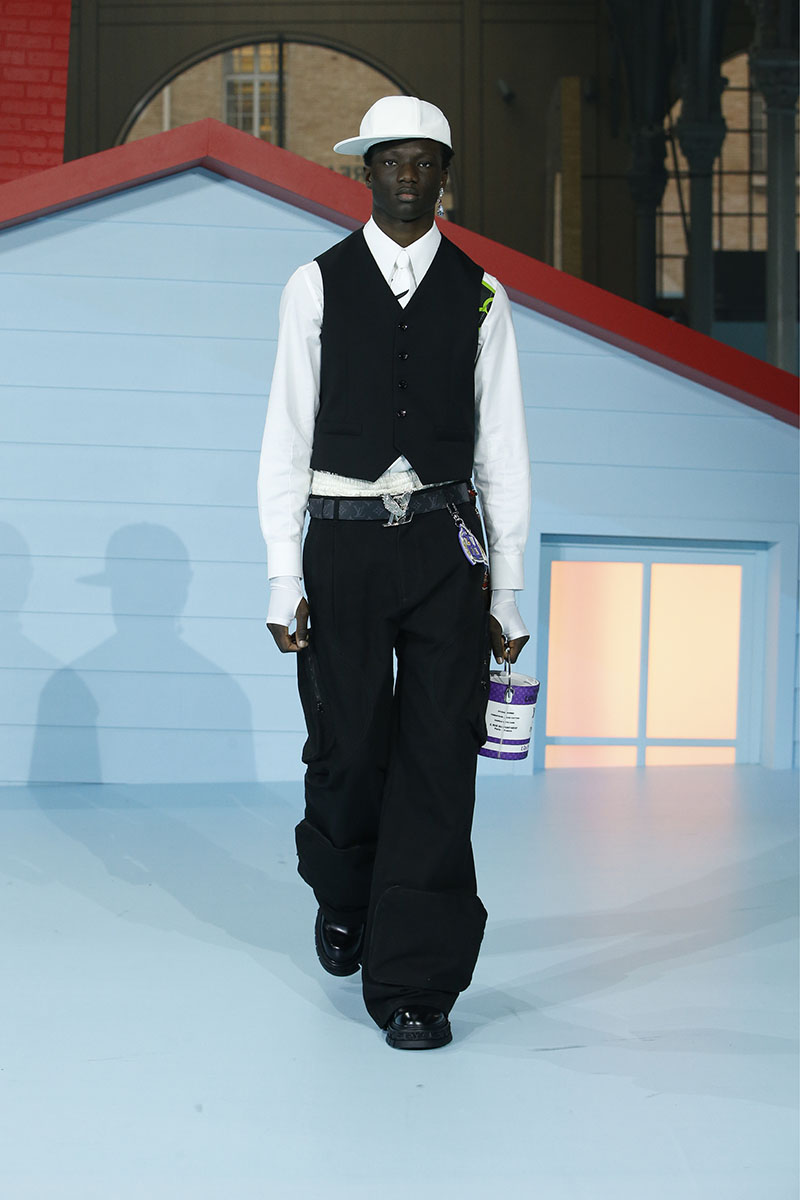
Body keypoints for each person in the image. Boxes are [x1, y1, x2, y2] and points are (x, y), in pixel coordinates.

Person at [257, 96, 530, 1050]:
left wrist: (507, 590)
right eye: (390, 160)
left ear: (444, 174)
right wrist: (282, 575)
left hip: (448, 546)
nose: (407, 175)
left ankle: (416, 981)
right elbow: (285, 437)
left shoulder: (484, 294)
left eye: (424, 161)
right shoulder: (315, 285)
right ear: (365, 171)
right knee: (346, 746)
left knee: (439, 759)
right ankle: (346, 893)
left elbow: (504, 450)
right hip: (343, 542)